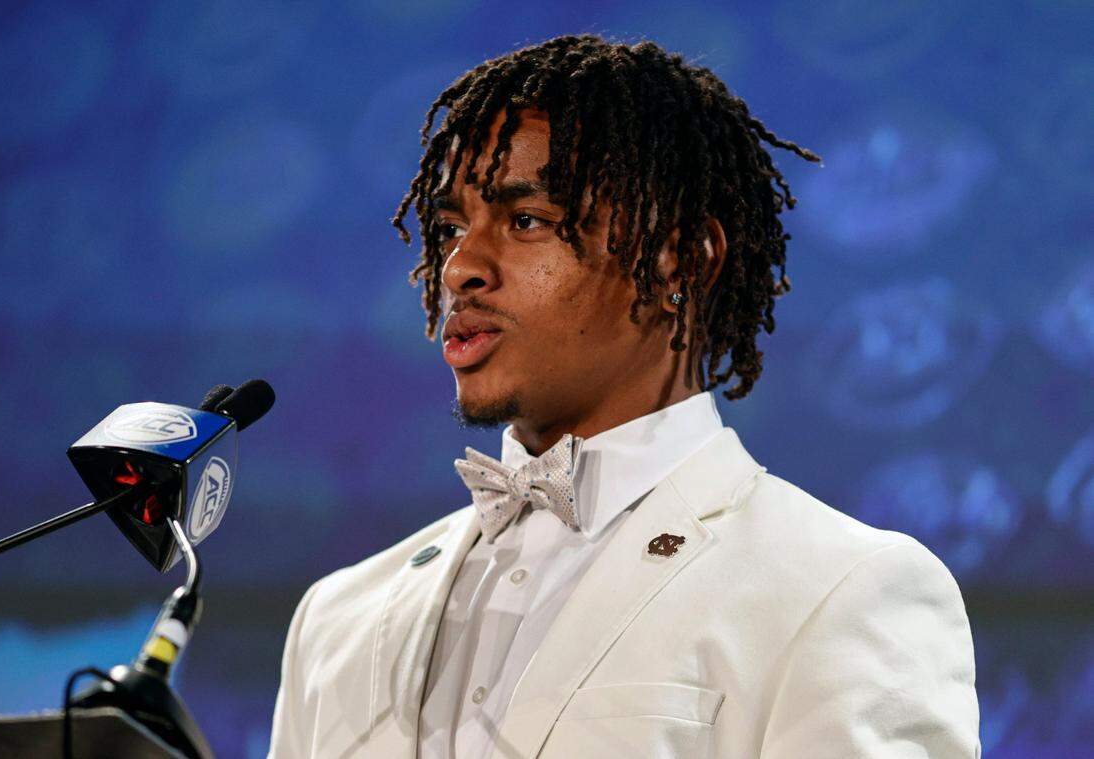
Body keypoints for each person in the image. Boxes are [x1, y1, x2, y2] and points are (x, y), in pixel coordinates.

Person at [268, 35, 980, 758]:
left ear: (680, 257)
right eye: (452, 227)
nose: (460, 268)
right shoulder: (339, 616)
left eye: (526, 221)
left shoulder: (844, 590)